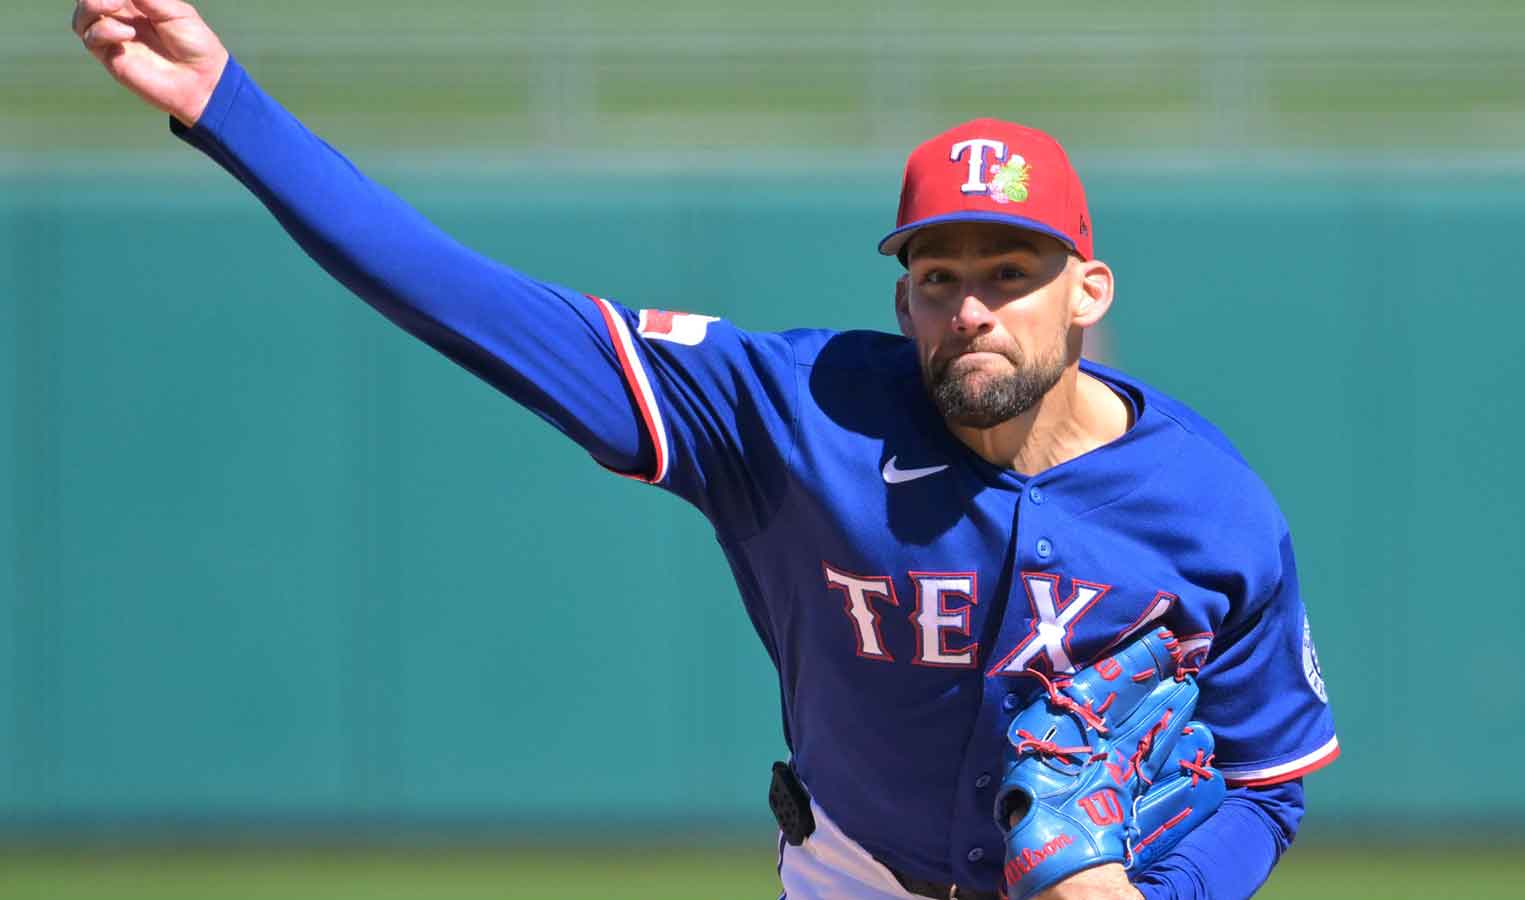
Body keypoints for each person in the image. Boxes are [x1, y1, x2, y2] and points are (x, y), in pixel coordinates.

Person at [71, 2, 1339, 897]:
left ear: (1089, 290)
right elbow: (467, 298)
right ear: (901, 300)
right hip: (856, 878)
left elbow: (1268, 780)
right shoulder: (787, 411)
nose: (971, 305)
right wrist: (223, 105)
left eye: (1012, 272)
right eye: (938, 273)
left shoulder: (1210, 509)